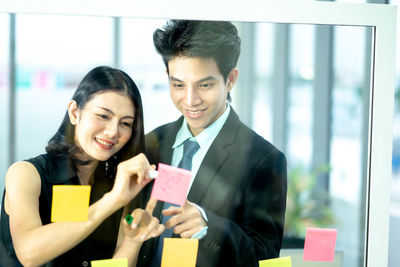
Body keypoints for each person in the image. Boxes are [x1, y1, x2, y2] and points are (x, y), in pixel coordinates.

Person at [138, 20, 288, 267]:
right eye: (178, 85)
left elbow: (264, 258)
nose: (190, 100)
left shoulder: (263, 159)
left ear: (230, 80)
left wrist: (209, 225)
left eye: (204, 85)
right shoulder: (151, 144)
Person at [0, 66, 164, 267]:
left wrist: (133, 239)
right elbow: (29, 254)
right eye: (103, 116)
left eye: (125, 123)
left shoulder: (118, 185)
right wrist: (112, 200)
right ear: (75, 112)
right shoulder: (26, 174)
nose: (113, 132)